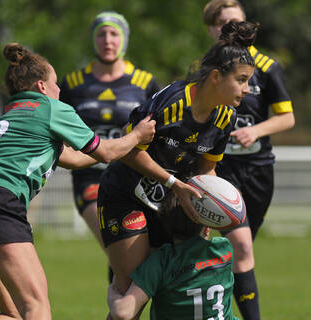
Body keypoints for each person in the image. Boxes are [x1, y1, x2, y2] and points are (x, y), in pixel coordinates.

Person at [97, 20, 258, 319]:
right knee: (132, 285)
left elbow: (206, 169)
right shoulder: (173, 102)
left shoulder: (226, 117)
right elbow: (129, 150)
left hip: (171, 200)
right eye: (242, 80)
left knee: (173, 280)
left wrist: (209, 206)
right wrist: (173, 183)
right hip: (125, 195)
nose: (248, 89)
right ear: (215, 77)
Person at [0, 43, 155, 320]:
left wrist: (121, 144)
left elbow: (76, 158)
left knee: (12, 313)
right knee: (36, 308)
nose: (60, 90)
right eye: (56, 84)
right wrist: (136, 136)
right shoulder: (51, 108)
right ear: (43, 86)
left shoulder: (11, 116)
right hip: (0, 205)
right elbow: (103, 153)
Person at [187, 1, 295, 319]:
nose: (231, 29)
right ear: (212, 29)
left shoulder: (268, 66)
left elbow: (286, 118)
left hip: (258, 170)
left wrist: (256, 131)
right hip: (218, 168)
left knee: (240, 250)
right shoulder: (205, 66)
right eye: (223, 23)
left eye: (237, 22)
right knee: (240, 246)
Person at [59, 11, 159, 247]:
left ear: (124, 39)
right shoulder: (73, 83)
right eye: (101, 34)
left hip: (133, 175)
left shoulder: (144, 82)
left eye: (114, 34)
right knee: (115, 242)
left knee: (133, 251)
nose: (107, 40)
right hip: (89, 177)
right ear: (93, 39)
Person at [107, 195, 241, 320]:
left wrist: (113, 291)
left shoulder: (160, 261)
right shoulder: (223, 249)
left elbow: (123, 313)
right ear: (206, 226)